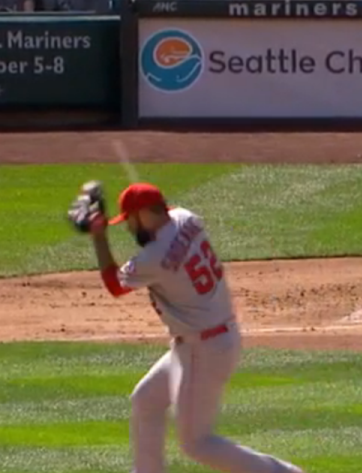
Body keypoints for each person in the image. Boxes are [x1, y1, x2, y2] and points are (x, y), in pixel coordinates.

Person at [66, 181, 304, 473]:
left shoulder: (155, 258)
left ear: (143, 214)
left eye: (129, 220)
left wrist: (99, 235)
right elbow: (169, 218)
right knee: (146, 400)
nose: (128, 228)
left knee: (196, 443)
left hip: (201, 349)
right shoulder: (187, 218)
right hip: (212, 338)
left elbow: (115, 284)